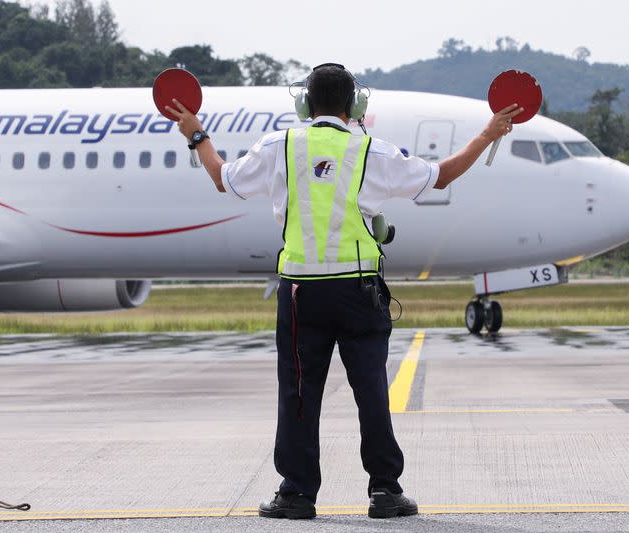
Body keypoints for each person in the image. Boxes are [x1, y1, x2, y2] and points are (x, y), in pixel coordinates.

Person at [167, 63, 521, 520]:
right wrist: (488, 133)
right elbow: (442, 175)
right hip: (358, 291)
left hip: (300, 293)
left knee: (297, 391)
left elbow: (224, 179)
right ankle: (385, 491)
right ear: (356, 105)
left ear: (304, 104)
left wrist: (197, 135)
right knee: (371, 390)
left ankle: (296, 494)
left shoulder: (281, 146)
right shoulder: (371, 151)